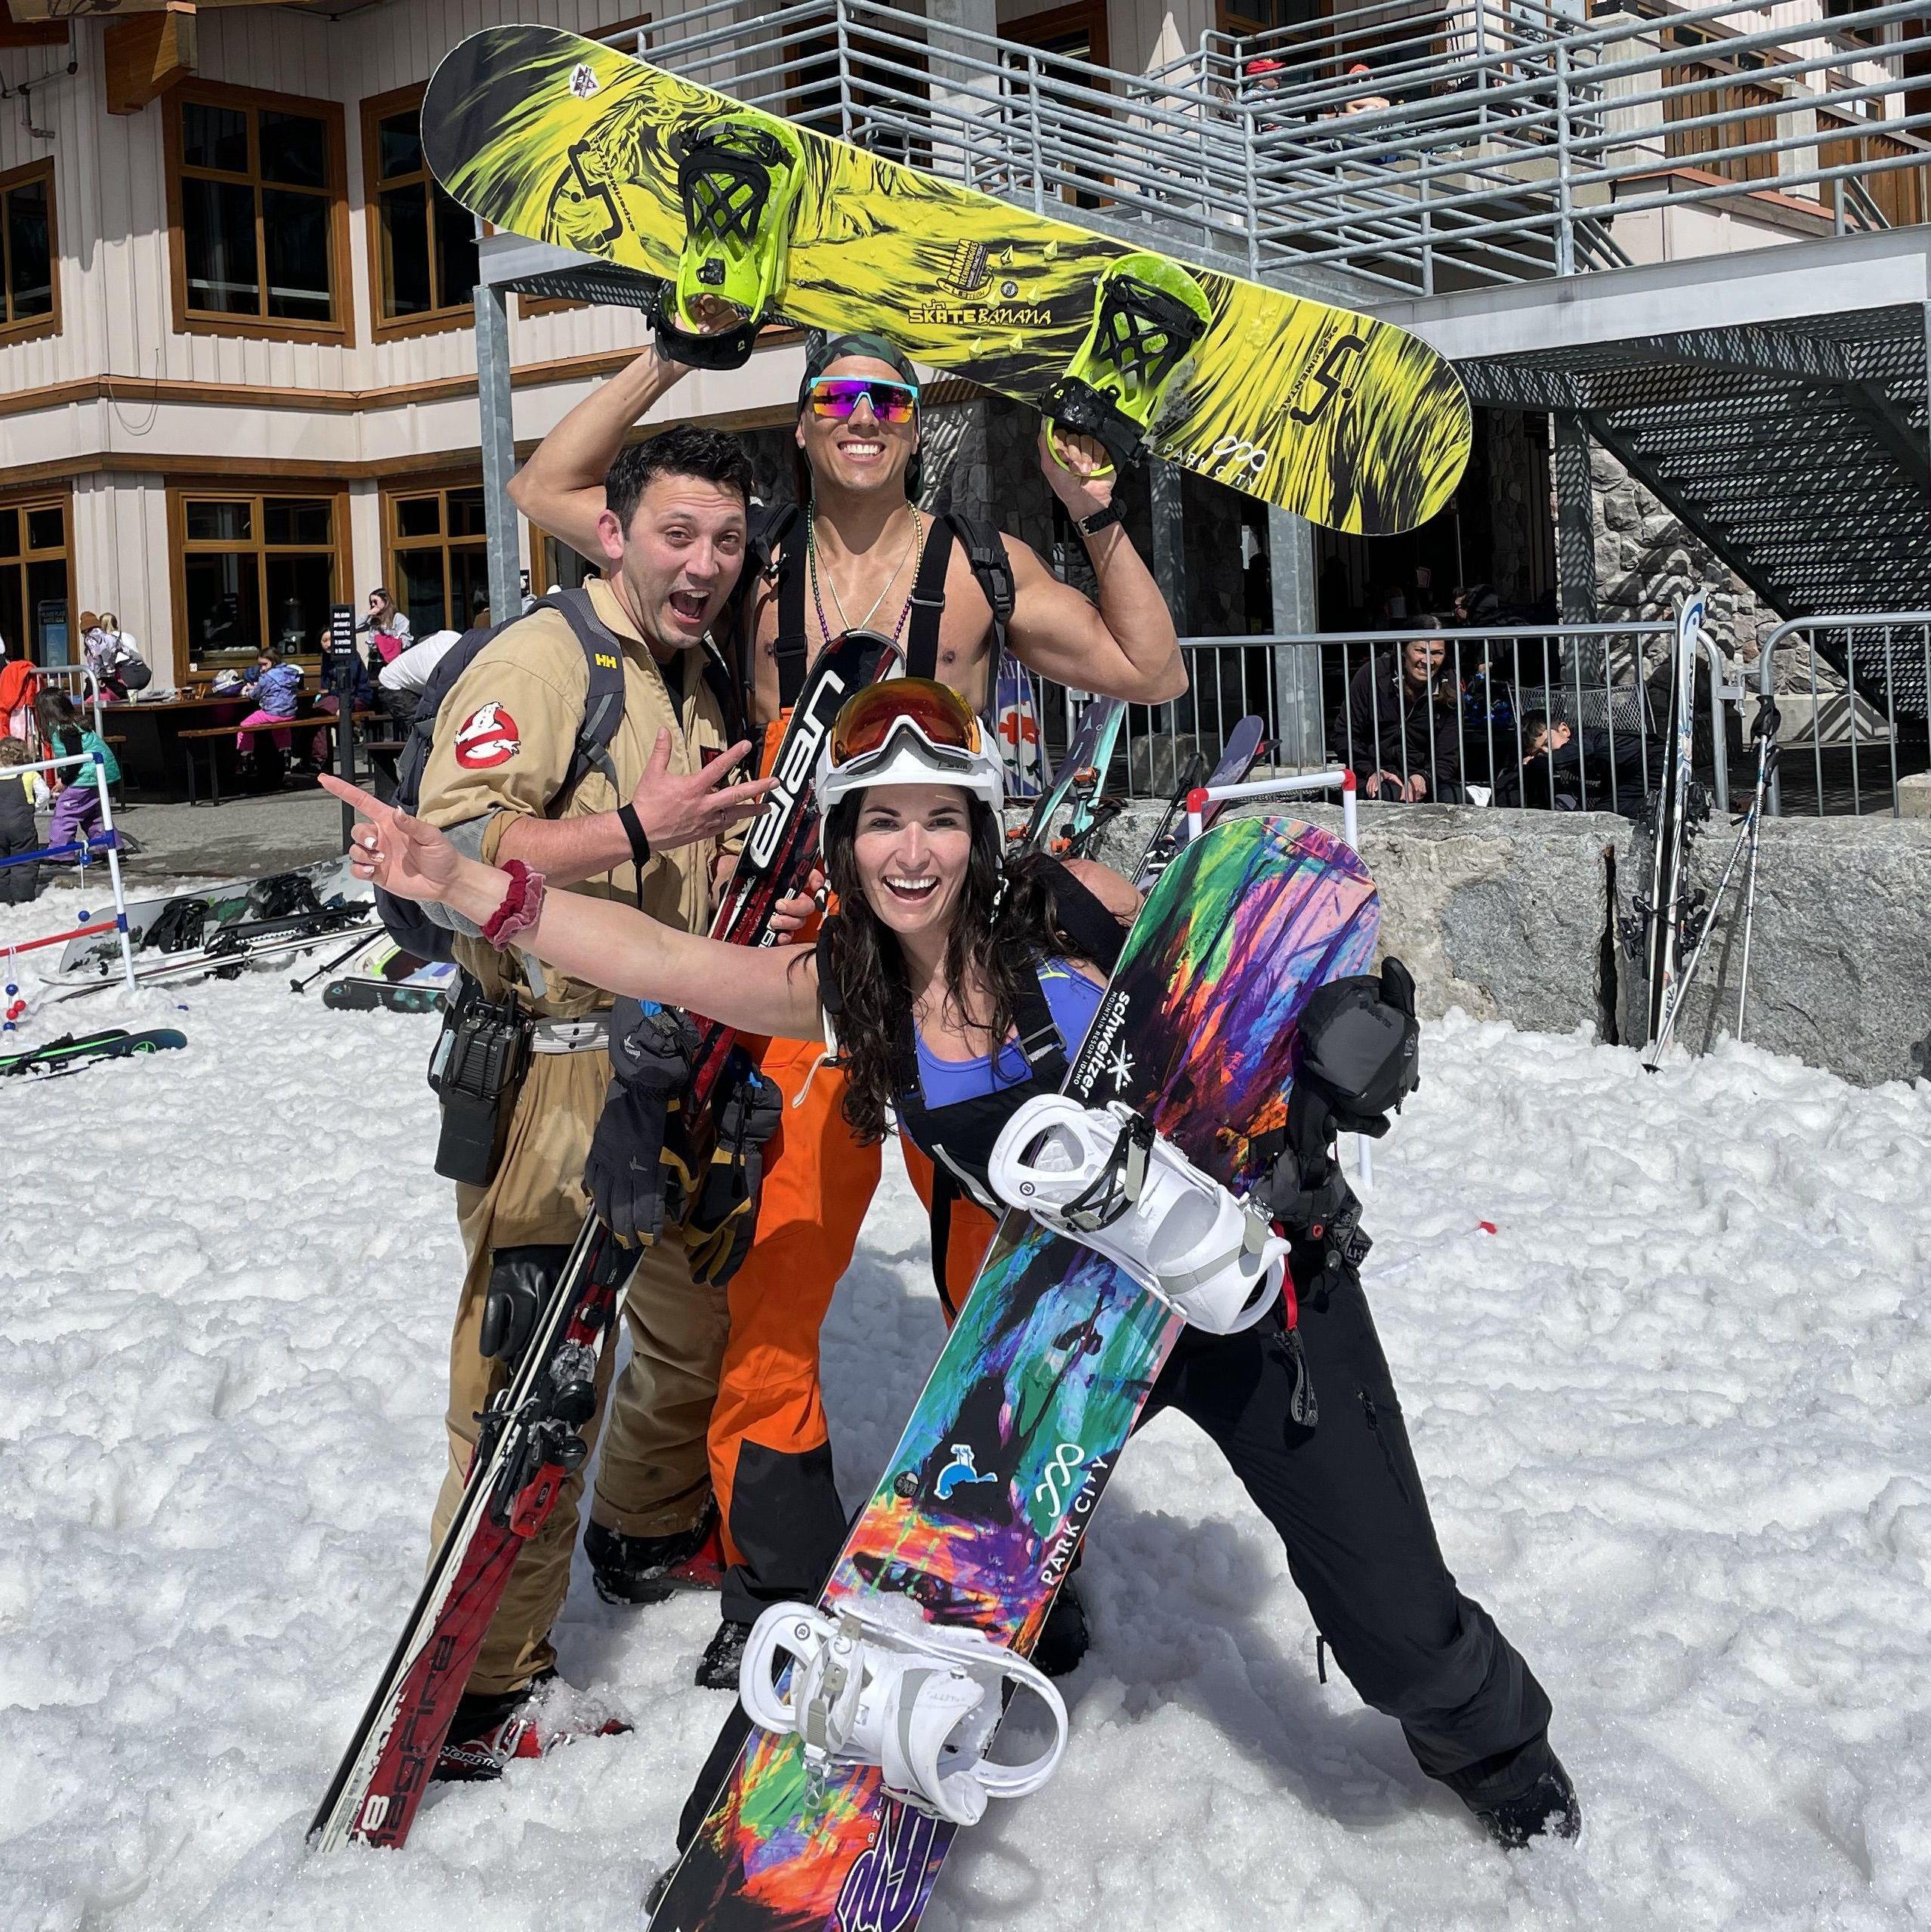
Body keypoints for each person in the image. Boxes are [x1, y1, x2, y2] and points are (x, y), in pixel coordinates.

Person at [323, 676, 1583, 1856]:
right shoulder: (842, 993)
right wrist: (463, 882)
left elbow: (1248, 1010)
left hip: (1251, 1298)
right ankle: (878, 1772)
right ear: (842, 838)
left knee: (1401, 1635)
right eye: (881, 822)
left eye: (939, 818)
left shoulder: (1075, 905)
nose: (912, 852)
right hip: (1066, 1332)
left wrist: (1344, 1050)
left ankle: (1499, 1754)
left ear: (980, 826)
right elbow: (650, 957)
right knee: (931, 1608)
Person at [509, 327, 1189, 1688]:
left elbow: (1150, 670)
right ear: (804, 424)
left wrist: (1098, 508)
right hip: (803, 958)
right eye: (837, 400)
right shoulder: (746, 563)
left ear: (915, 418)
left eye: (887, 397)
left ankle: (1008, 1557)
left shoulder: (983, 565)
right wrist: (668, 355)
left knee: (986, 1267)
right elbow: (547, 489)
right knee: (778, 1268)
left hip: (959, 963)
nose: (864, 418)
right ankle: (771, 1583)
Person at [391, 424, 780, 1781]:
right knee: (535, 1371)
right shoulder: (541, 660)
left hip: (671, 1052)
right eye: (679, 532)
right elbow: (457, 845)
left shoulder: (693, 671)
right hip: (555, 1064)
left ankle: (646, 1523)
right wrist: (635, 832)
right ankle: (489, 1685)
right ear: (612, 530)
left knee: (692, 1311)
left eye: (727, 541)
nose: (706, 563)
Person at [1342, 626, 1464, 802]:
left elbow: (1448, 753)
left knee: (1453, 797)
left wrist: (1425, 777)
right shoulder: (1372, 675)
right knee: (1386, 795)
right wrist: (1371, 771)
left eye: (1437, 653)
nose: (1428, 661)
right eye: (1421, 651)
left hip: (1427, 776)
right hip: (1377, 773)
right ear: (1403, 650)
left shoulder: (1450, 685)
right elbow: (1345, 735)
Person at [34, 690, 116, 853]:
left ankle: (60, 852)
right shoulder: (72, 725)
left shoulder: (67, 730)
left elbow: (75, 760)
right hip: (96, 773)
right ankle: (109, 847)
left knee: (66, 811)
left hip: (88, 774)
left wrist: (65, 781)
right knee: (92, 813)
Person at [0, 736, 48, 904]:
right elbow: (44, 793)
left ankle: (3, 898)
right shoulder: (29, 772)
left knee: (1, 861)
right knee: (24, 860)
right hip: (21, 824)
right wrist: (36, 808)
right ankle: (22, 898)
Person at [234, 647, 304, 756]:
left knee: (244, 725)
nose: (262, 668)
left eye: (264, 664)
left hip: (272, 714)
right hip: (290, 714)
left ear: (274, 662)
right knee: (281, 729)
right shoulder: (290, 673)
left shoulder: (268, 677)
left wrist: (248, 692)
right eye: (260, 665)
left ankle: (246, 753)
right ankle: (285, 751)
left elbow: (256, 695)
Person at [357, 586, 412, 661]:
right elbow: (353, 628)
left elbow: (407, 641)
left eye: (375, 601)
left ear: (385, 601)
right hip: (375, 660)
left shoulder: (398, 618)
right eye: (371, 602)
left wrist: (388, 642)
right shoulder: (372, 618)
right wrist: (368, 614)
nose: (373, 605)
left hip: (392, 660)